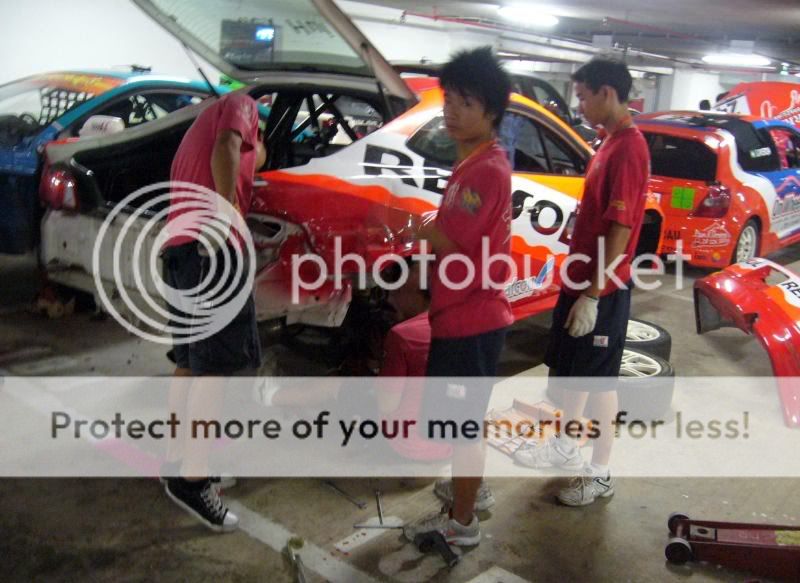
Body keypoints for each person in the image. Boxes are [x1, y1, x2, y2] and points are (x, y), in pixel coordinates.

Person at [513, 58, 650, 506]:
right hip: (581, 280)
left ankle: (601, 472)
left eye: (584, 96)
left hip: (602, 289)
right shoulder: (608, 143)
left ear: (607, 93)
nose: (580, 106)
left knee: (600, 382)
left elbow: (621, 229)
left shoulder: (629, 148)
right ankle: (565, 445)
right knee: (572, 373)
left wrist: (593, 294)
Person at [402, 46, 512, 547]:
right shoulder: (473, 162)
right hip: (462, 316)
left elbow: (451, 239)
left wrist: (411, 227)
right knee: (460, 423)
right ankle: (470, 494)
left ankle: (462, 526)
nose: (451, 111)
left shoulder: (485, 169)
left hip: (471, 320)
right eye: (448, 100)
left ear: (491, 112)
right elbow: (455, 228)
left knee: (463, 428)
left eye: (466, 103)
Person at [160, 91, 267, 532]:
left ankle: (177, 461)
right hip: (213, 252)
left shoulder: (196, 130)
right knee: (214, 371)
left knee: (189, 363)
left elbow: (240, 152)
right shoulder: (241, 105)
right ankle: (194, 480)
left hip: (181, 252)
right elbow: (228, 145)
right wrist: (228, 211)